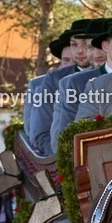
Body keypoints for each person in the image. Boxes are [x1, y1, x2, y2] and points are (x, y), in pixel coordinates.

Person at [50, 17, 112, 150]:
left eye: (102, 47)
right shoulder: (73, 83)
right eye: (90, 47)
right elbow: (61, 141)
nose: (97, 54)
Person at [26, 19, 94, 155]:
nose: (80, 51)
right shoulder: (54, 79)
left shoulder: (111, 74)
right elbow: (40, 132)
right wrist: (61, 161)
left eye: (86, 45)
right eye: (74, 45)